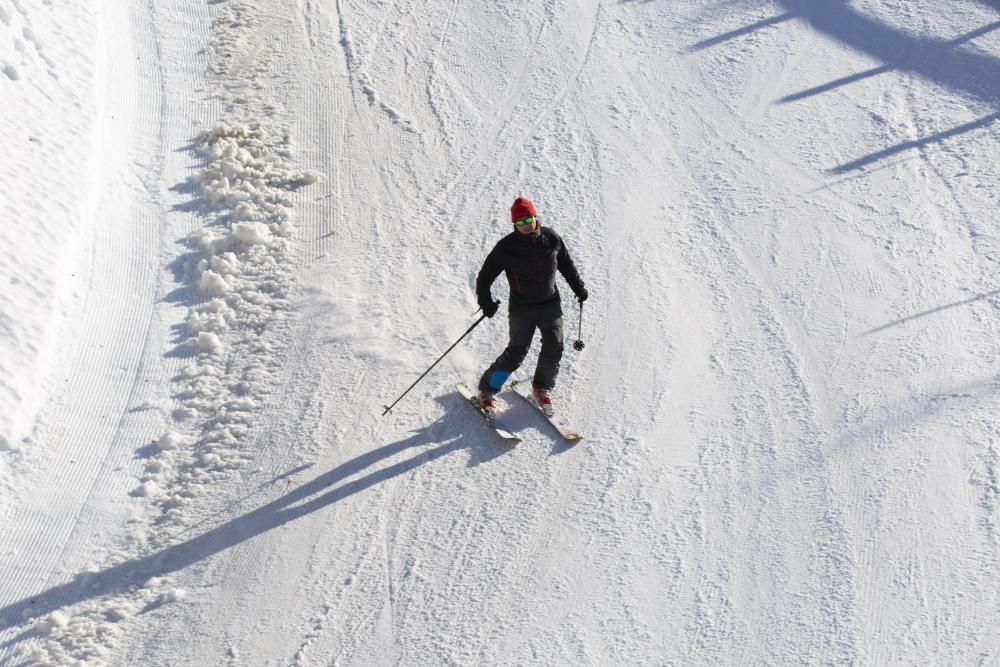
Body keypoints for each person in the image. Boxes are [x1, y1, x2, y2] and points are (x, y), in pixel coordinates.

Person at [475, 197, 588, 418]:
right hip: (522, 308)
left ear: (535, 217)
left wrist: (578, 288)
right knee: (517, 352)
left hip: (549, 303)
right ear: (514, 225)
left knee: (554, 345)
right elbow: (485, 276)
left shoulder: (551, 238)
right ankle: (487, 392)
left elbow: (566, 263)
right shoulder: (506, 247)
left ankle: (542, 388)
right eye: (519, 223)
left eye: (528, 219)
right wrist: (485, 302)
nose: (525, 226)